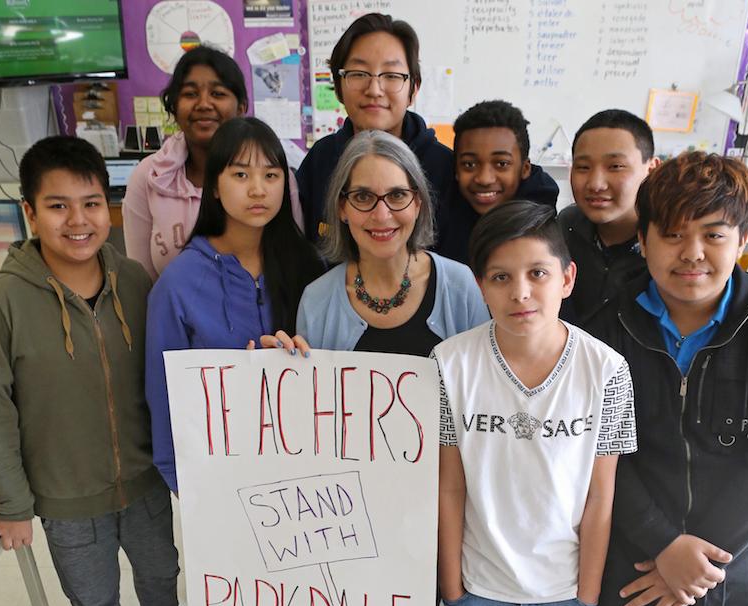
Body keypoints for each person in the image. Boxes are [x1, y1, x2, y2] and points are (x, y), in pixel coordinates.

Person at [587, 151, 748, 606]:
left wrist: (695, 563)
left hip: (741, 545)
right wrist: (664, 545)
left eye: (714, 235)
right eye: (674, 234)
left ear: (742, 241)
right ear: (643, 239)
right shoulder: (602, 334)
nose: (693, 253)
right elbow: (604, 454)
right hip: (639, 547)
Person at [0, 136, 192, 606]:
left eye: (90, 204)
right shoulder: (4, 299)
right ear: (30, 213)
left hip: (144, 479)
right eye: (58, 206)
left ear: (109, 208)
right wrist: (10, 505)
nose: (77, 220)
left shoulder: (134, 280)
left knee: (160, 574)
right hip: (65, 497)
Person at [433, 200, 637, 606]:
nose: (520, 292)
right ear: (480, 285)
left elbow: (600, 496)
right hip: (479, 589)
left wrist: (586, 597)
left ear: (567, 278)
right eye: (500, 277)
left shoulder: (607, 371)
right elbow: (449, 486)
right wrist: (453, 591)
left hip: (564, 594)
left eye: (538, 274)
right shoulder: (448, 365)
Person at [146, 117, 323, 496]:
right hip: (219, 481)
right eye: (241, 175)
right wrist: (187, 487)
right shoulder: (178, 285)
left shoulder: (309, 267)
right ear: (213, 186)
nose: (258, 190)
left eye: (271, 175)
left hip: (306, 476)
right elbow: (163, 398)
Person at [287, 129, 487, 356]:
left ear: (417, 203)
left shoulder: (460, 287)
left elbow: (484, 384)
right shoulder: (316, 301)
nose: (382, 216)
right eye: (363, 197)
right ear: (342, 207)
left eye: (397, 195)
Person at [296, 13, 454, 243]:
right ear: (339, 86)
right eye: (359, 74)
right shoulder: (321, 159)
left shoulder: (444, 168)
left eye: (391, 75)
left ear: (414, 88)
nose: (374, 89)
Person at [122, 45, 248, 280]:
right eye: (190, 94)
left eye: (218, 94)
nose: (203, 104)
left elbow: (286, 261)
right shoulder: (148, 176)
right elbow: (140, 279)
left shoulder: (269, 173)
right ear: (174, 106)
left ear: (240, 108)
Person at [560, 109, 659, 325]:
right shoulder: (565, 228)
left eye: (615, 166)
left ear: (652, 169)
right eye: (583, 167)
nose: (596, 184)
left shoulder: (668, 244)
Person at [435, 99, 559, 265]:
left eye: (501, 164)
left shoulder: (543, 228)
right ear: (456, 169)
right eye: (469, 164)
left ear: (525, 169)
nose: (484, 179)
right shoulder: (439, 214)